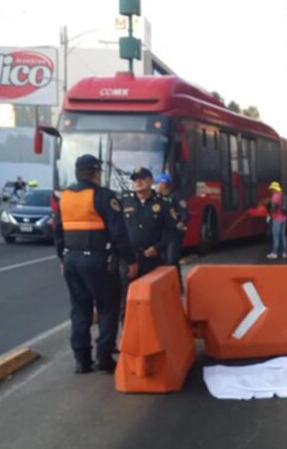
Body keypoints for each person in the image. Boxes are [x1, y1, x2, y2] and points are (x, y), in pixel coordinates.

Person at [53, 154, 137, 374]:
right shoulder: (103, 196)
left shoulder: (66, 198)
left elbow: (58, 232)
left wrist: (62, 258)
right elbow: (119, 234)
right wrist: (131, 260)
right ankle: (104, 357)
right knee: (108, 308)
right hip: (99, 261)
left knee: (80, 310)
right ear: (96, 173)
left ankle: (82, 360)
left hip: (71, 260)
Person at [120, 168, 177, 317]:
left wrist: (158, 248)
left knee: (151, 301)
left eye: (142, 178)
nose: (138, 182)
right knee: (126, 301)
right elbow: (117, 230)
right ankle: (128, 337)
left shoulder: (162, 204)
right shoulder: (124, 201)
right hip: (129, 259)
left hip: (152, 259)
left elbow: (172, 231)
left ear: (151, 181)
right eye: (135, 179)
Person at [155, 173, 188, 267]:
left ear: (164, 184)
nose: (157, 186)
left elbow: (185, 212)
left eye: (158, 184)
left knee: (172, 259)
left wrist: (182, 222)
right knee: (162, 259)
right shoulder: (157, 198)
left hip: (174, 233)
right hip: (162, 233)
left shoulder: (177, 197)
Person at [266, 181, 287, 259]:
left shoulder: (275, 196)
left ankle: (274, 253)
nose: (271, 190)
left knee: (276, 236)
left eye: (272, 188)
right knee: (283, 235)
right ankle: (284, 253)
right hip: (284, 218)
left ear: (274, 189)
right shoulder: (281, 195)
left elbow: (273, 207)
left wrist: (269, 216)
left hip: (277, 218)